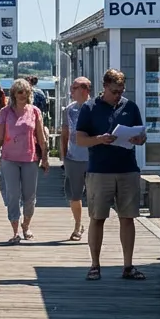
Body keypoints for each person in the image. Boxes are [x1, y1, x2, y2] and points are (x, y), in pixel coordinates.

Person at [74, 68, 147, 280]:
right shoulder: (90, 108)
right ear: (104, 86)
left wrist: (139, 140)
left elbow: (141, 135)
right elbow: (79, 139)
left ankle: (128, 266)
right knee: (97, 217)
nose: (118, 95)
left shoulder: (130, 106)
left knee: (128, 217)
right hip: (100, 171)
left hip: (127, 169)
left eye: (121, 91)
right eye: (114, 91)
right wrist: (99, 139)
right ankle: (95, 265)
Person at [0, 79, 49, 244]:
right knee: (13, 195)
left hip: (30, 158)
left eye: (26, 92)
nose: (23, 95)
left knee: (30, 196)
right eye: (19, 92)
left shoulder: (35, 111)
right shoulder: (5, 112)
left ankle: (26, 225)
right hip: (9, 159)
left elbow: (41, 137)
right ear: (14, 94)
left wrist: (45, 157)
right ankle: (15, 231)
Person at [57, 77, 92, 242]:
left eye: (74, 88)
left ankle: (95, 226)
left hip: (93, 158)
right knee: (74, 195)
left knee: (94, 195)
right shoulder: (69, 109)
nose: (71, 91)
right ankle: (78, 225)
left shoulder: (95, 108)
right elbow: (64, 133)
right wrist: (64, 157)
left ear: (84, 90)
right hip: (73, 157)